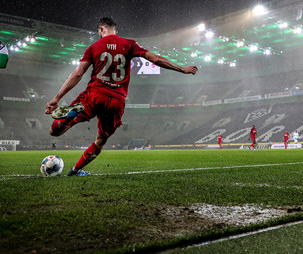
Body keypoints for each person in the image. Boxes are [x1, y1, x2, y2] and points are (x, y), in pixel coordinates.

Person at [45, 17, 198, 176]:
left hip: (95, 94)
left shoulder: (93, 47)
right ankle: (76, 170)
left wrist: (57, 98)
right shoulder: (129, 44)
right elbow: (156, 59)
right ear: (115, 30)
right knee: (101, 140)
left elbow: (77, 74)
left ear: (101, 29)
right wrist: (182, 69)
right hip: (117, 101)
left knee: (54, 133)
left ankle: (71, 116)